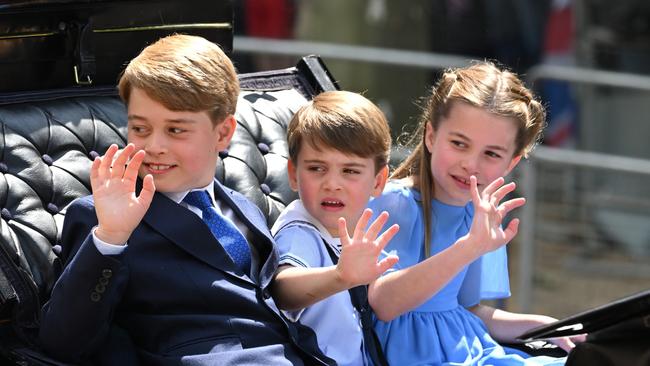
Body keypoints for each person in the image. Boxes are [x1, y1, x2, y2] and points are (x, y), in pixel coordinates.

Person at [38, 34, 335, 365]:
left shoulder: (243, 206)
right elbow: (62, 341)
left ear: (222, 134)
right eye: (140, 129)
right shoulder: (104, 217)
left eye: (176, 130)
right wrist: (110, 238)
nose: (154, 146)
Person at [366, 61, 583, 365]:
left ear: (511, 162)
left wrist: (543, 326)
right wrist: (470, 247)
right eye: (459, 143)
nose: (471, 164)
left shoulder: (477, 211)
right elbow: (384, 304)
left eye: (492, 154)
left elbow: (467, 310)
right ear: (431, 136)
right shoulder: (394, 201)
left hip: (471, 349)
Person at [270, 90, 399, 366]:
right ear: (293, 174)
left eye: (350, 171)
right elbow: (282, 288)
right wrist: (339, 276)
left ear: (378, 181)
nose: (332, 183)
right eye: (317, 168)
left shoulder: (362, 227)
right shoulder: (300, 228)